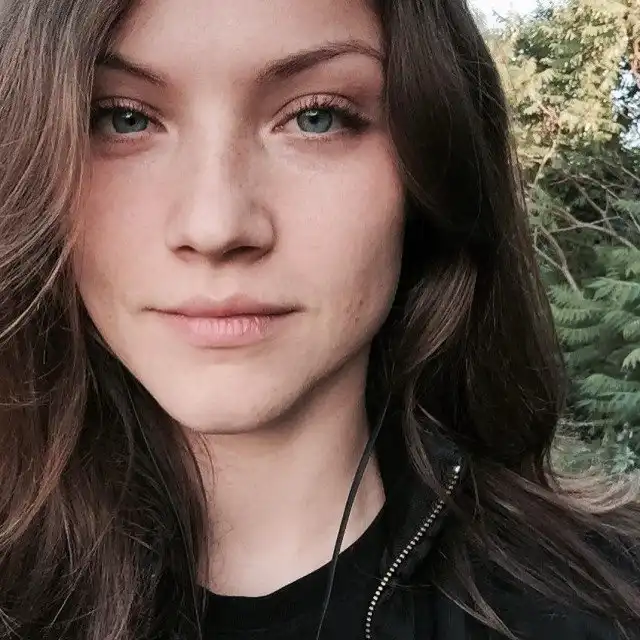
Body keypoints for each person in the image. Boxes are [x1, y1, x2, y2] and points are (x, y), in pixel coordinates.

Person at [0, 0, 639, 638]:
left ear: (430, 169)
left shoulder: (608, 609)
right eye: (123, 119)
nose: (216, 226)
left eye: (317, 117)